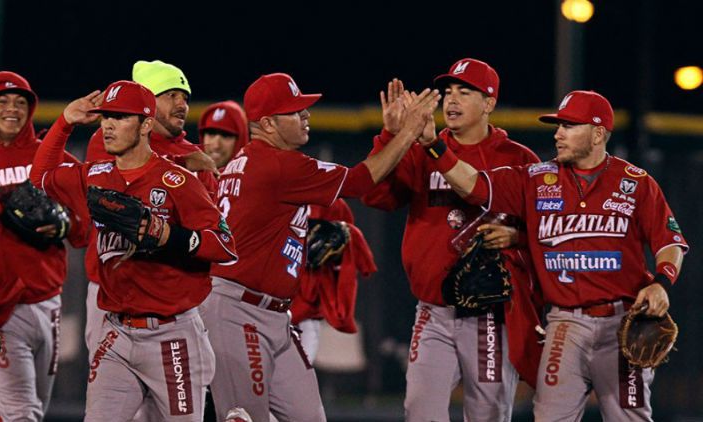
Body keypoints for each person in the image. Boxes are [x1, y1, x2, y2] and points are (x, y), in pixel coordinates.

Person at [420, 90, 688, 420]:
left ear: (598, 134)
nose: (558, 134)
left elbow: (670, 242)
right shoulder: (535, 179)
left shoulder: (636, 183)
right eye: (558, 126)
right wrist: (433, 145)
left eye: (569, 126)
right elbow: (472, 184)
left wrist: (661, 283)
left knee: (629, 417)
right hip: (565, 325)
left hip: (621, 324)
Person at [203, 72, 439, 422]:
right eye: (294, 111)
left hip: (273, 315)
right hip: (239, 314)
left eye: (304, 108)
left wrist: (390, 134)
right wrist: (408, 132)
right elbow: (362, 181)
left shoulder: (253, 160)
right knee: (244, 418)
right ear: (267, 124)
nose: (305, 115)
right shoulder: (278, 164)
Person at [29, 80, 237, 421]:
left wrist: (169, 236)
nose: (108, 125)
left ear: (145, 125)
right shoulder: (95, 176)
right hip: (117, 333)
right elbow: (40, 178)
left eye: (121, 117)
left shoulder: (177, 181)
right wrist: (65, 122)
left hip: (172, 335)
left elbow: (225, 245)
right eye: (106, 116)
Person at [361, 59, 544, 421]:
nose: (452, 100)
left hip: (491, 317)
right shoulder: (420, 150)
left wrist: (517, 236)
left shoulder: (518, 158)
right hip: (434, 313)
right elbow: (375, 197)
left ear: (489, 103)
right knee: (419, 410)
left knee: (488, 415)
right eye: (448, 92)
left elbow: (543, 231)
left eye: (465, 92)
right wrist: (390, 136)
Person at [0, 71, 89, 421]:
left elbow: (84, 229)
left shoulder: (50, 157)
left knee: (31, 409)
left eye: (20, 102)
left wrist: (66, 223)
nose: (12, 109)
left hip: (47, 301)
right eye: (2, 101)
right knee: (23, 414)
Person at [290, 200, 377, 364]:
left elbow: (347, 254)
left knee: (298, 372)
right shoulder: (269, 196)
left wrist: (338, 257)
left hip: (304, 312)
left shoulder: (332, 204)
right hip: (263, 307)